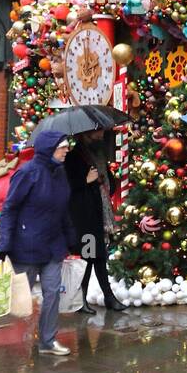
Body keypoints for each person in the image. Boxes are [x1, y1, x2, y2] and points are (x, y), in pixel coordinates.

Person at [0, 130, 79, 356]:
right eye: (62, 147)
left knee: (52, 293)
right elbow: (9, 210)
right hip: (27, 246)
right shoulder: (27, 173)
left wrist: (71, 239)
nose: (66, 151)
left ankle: (48, 341)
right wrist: (4, 244)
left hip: (53, 245)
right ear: (49, 149)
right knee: (15, 295)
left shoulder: (60, 173)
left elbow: (63, 210)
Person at [64, 129, 127, 314]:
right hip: (84, 218)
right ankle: (81, 300)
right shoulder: (74, 157)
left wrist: (108, 179)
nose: (101, 136)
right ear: (85, 135)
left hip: (99, 215)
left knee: (98, 256)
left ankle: (108, 297)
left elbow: (108, 183)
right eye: (97, 133)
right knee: (88, 258)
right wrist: (86, 180)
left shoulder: (98, 156)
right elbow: (69, 187)